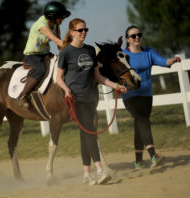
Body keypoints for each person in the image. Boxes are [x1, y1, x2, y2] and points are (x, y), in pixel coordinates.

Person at [56, 18, 127, 185]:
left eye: (85, 30)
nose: (84, 33)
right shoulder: (66, 52)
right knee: (90, 131)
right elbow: (58, 78)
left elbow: (98, 77)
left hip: (90, 98)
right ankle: (100, 170)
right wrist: (66, 90)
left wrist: (115, 85)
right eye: (80, 30)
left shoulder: (89, 51)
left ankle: (86, 174)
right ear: (72, 32)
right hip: (76, 98)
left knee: (85, 134)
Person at [122, 25, 181, 169]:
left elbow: (162, 61)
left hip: (147, 94)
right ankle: (153, 155)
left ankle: (138, 162)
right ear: (127, 39)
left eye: (139, 35)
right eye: (133, 36)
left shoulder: (148, 52)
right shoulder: (123, 54)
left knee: (140, 124)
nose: (137, 37)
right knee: (142, 119)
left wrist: (172, 60)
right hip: (131, 95)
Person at [18, 1, 71, 107]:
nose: (63, 19)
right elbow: (58, 41)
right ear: (53, 17)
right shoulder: (42, 26)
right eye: (61, 17)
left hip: (45, 53)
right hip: (32, 55)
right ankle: (23, 95)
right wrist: (74, 46)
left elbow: (60, 45)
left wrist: (63, 56)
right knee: (40, 70)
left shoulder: (56, 25)